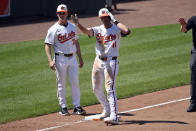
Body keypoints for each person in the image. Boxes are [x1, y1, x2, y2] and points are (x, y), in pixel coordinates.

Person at [71, 8, 130, 124]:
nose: (104, 19)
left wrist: (115, 20)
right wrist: (78, 24)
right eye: (102, 17)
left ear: (109, 17)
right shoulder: (98, 30)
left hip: (111, 63)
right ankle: (107, 109)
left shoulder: (116, 29)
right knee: (96, 87)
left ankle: (114, 116)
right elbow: (86, 31)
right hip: (98, 62)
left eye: (106, 17)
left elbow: (127, 30)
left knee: (110, 89)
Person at [44, 4, 86, 116]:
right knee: (61, 84)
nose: (61, 15)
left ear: (67, 13)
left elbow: (76, 42)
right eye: (59, 13)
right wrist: (50, 60)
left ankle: (77, 107)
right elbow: (47, 45)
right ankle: (63, 107)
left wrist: (80, 58)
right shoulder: (53, 29)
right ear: (57, 14)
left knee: (75, 82)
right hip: (60, 59)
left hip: (72, 58)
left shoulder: (73, 27)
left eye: (63, 13)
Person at [179, 16, 196, 112]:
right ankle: (193, 103)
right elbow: (184, 30)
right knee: (194, 72)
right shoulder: (194, 19)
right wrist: (183, 25)